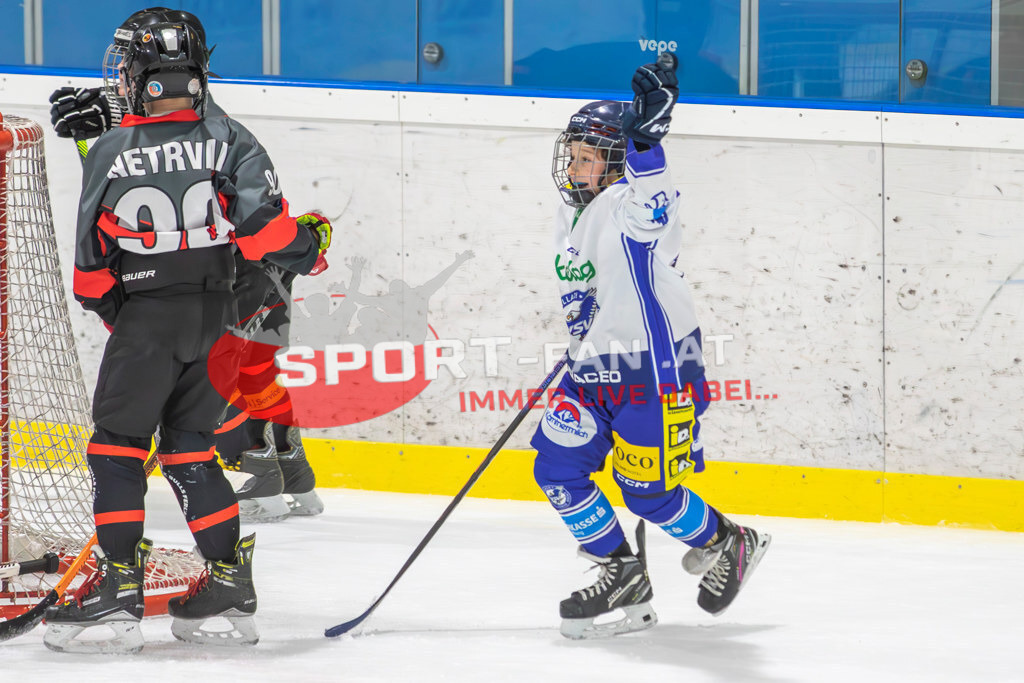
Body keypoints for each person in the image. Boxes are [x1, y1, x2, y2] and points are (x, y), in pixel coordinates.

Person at [42, 20, 331, 653]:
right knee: (191, 447)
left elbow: (92, 276)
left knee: (116, 450)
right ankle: (229, 583)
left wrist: (132, 317)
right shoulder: (231, 137)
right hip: (218, 316)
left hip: (151, 318)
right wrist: (311, 245)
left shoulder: (118, 144)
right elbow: (265, 235)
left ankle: (117, 589)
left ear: (140, 73)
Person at [532, 54, 771, 640]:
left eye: (592, 156)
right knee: (557, 468)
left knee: (648, 493)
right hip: (592, 369)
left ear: (617, 164)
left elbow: (651, 203)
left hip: (655, 370)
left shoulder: (631, 205)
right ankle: (620, 571)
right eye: (577, 154)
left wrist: (647, 144)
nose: (578, 165)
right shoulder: (574, 210)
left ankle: (727, 541)